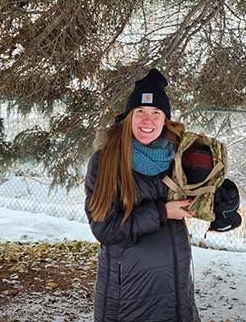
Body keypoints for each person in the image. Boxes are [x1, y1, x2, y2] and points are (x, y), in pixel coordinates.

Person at [85, 67, 201, 322]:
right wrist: (162, 212)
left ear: (165, 119)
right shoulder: (105, 162)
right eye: (140, 112)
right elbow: (105, 229)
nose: (147, 120)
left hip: (176, 292)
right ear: (129, 117)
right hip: (128, 298)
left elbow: (204, 197)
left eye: (156, 112)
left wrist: (226, 200)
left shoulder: (179, 158)